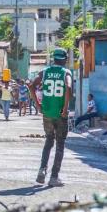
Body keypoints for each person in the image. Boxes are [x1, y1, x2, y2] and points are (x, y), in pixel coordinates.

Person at [32, 48, 73, 186]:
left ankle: (42, 171)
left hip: (47, 113)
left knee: (49, 141)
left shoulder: (44, 72)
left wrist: (38, 106)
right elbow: (68, 87)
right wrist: (65, 108)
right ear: (64, 59)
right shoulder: (66, 72)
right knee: (60, 144)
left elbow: (31, 85)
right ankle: (54, 177)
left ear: (54, 59)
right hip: (60, 114)